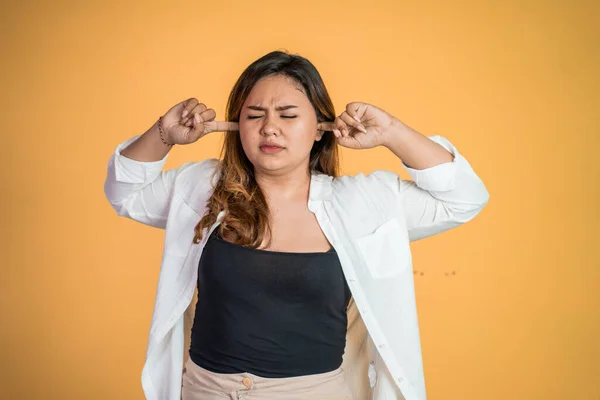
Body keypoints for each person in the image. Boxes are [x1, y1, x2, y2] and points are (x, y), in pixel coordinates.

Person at [104, 50, 489, 400]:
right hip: (204, 390)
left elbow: (463, 198)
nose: (270, 128)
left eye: (288, 115)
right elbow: (126, 194)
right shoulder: (204, 188)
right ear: (236, 126)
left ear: (319, 127)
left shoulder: (362, 203)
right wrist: (162, 134)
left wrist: (391, 132)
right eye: (255, 115)